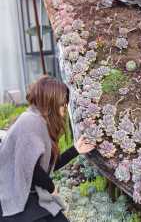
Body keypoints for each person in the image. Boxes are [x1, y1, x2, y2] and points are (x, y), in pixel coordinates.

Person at [0, 75, 95, 222]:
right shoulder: (30, 122)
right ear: (51, 102)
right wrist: (52, 188)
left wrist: (75, 150)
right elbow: (31, 169)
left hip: (29, 194)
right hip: (15, 198)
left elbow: (47, 166)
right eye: (63, 103)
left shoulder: (38, 120)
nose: (65, 107)